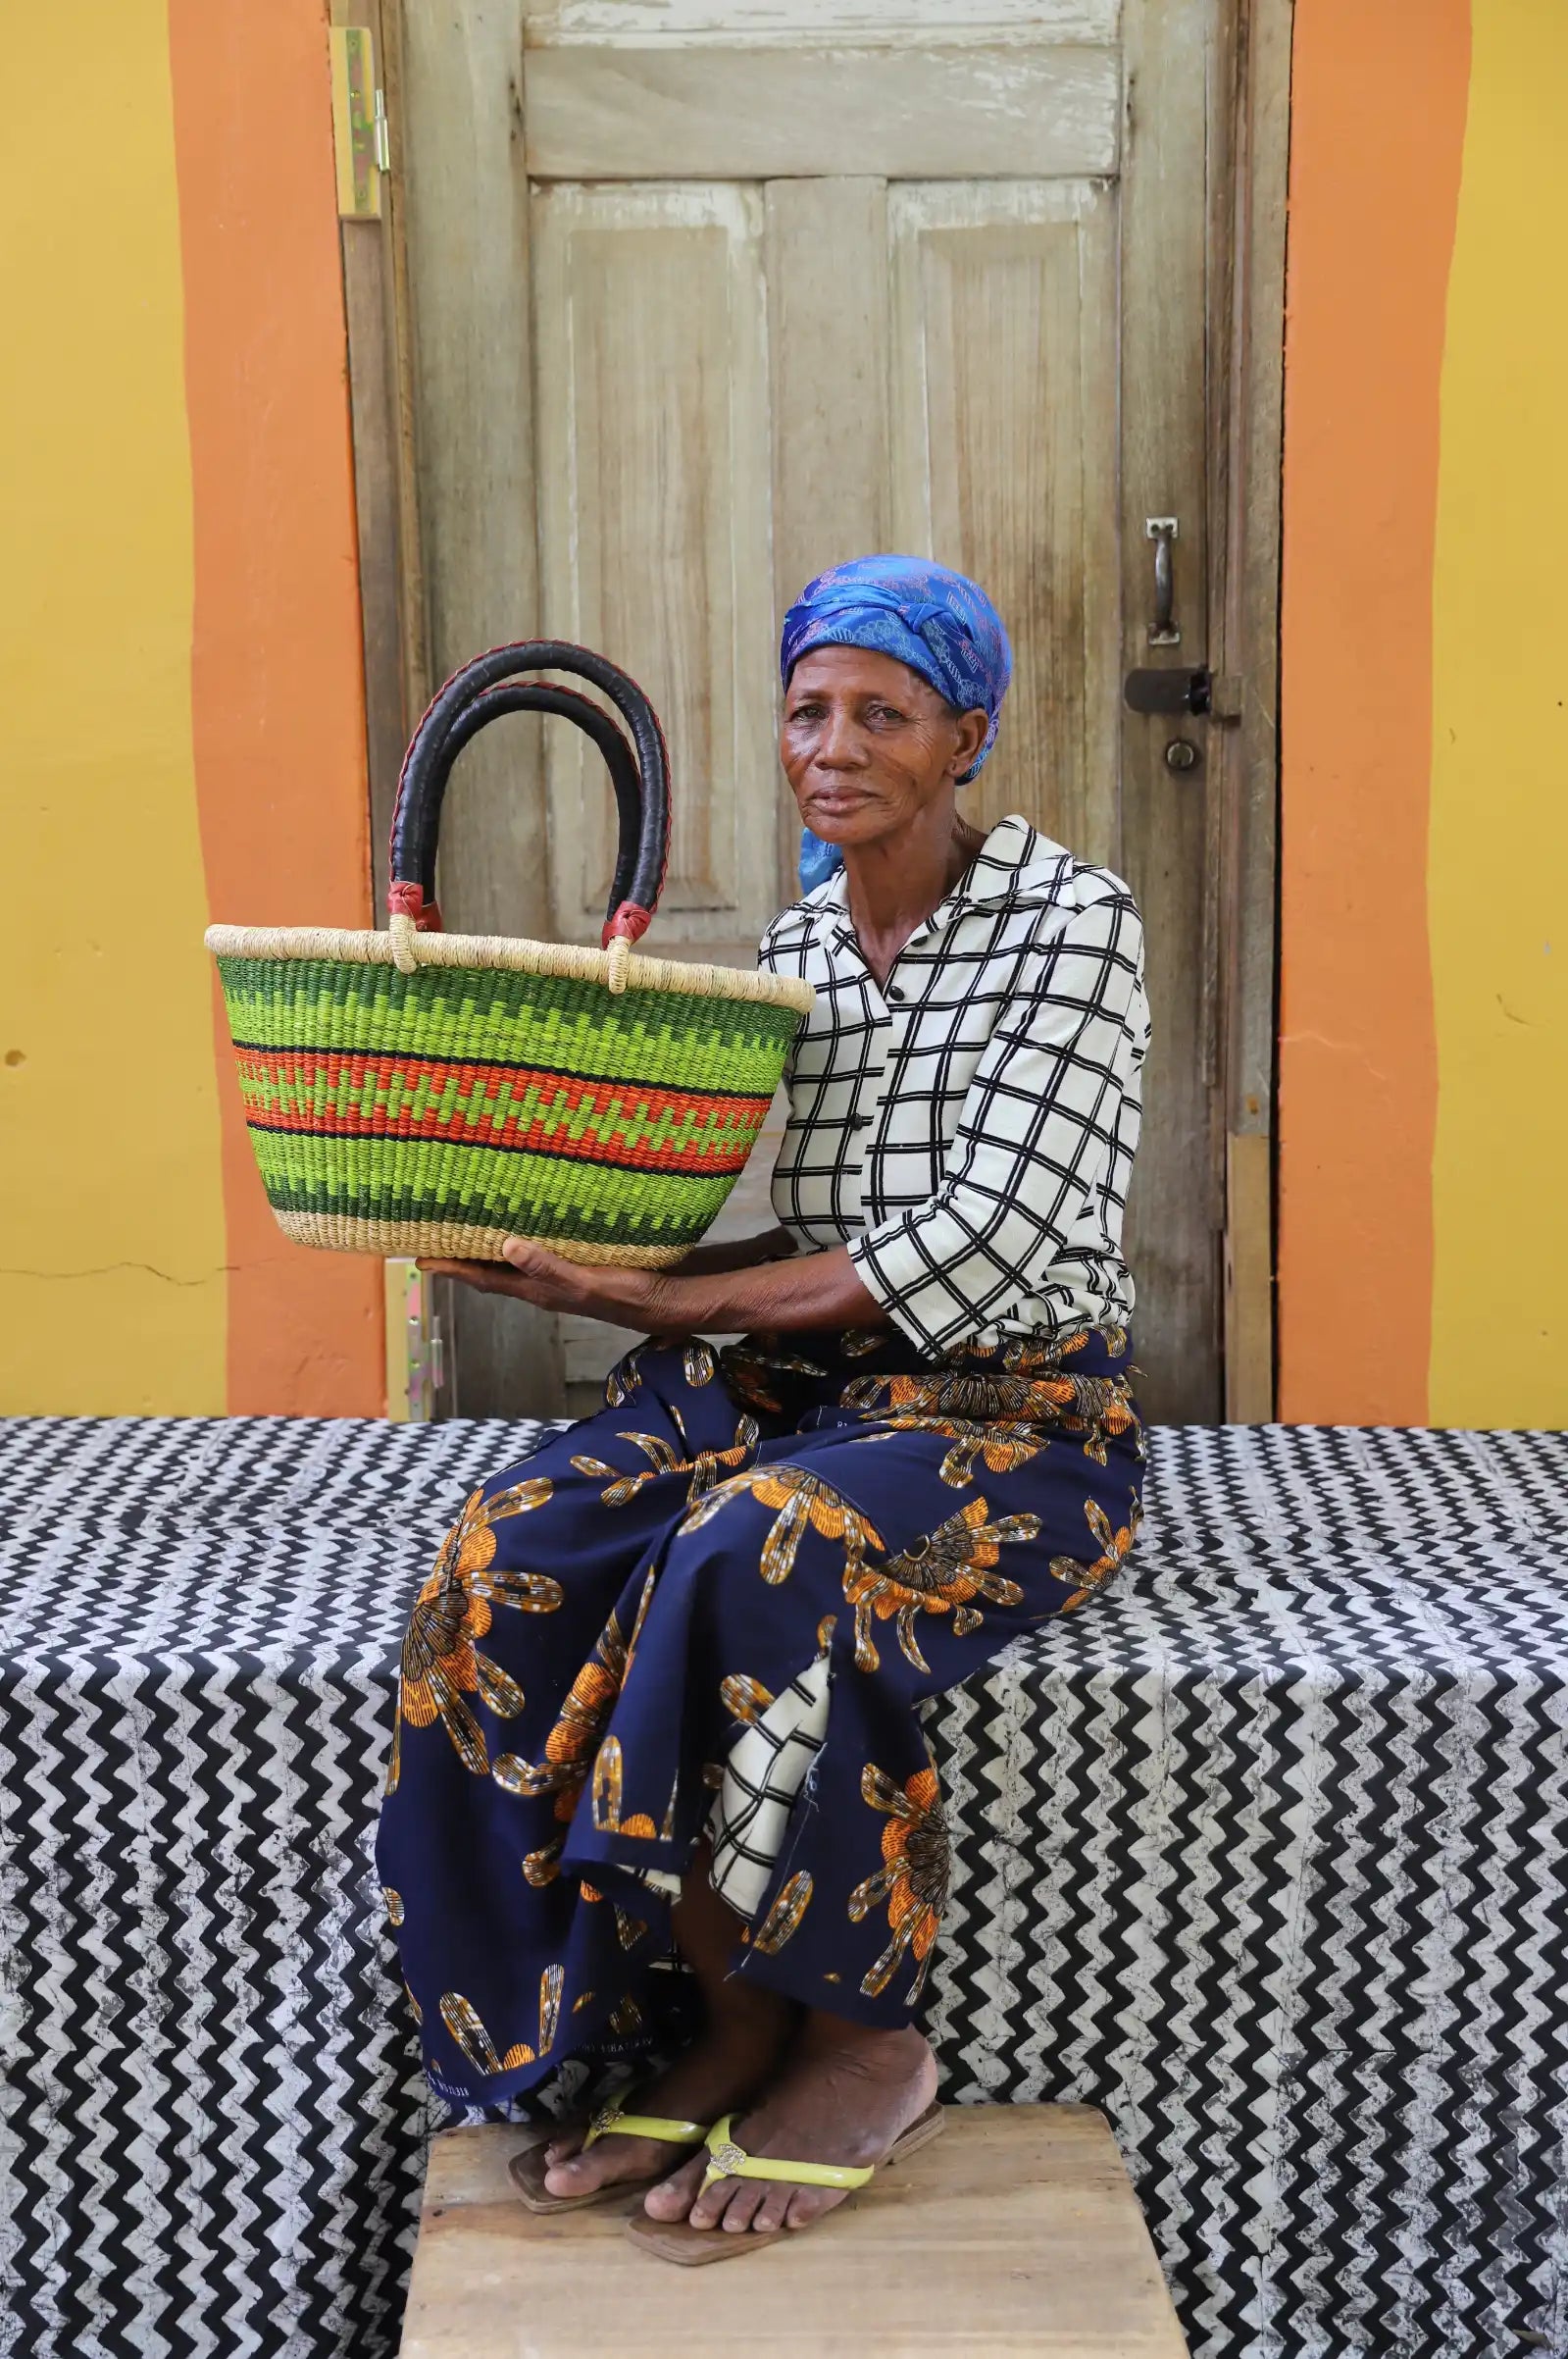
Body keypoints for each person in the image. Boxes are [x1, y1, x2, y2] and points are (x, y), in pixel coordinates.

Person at [377, 554, 1149, 2261]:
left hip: (1017, 1411)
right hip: (813, 1389)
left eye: (885, 713)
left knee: (754, 1540)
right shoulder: (802, 944)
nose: (836, 746)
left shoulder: (1073, 922)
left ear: (967, 737)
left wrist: (645, 1304)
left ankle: (866, 2036)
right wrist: (575, 1254)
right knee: (523, 1536)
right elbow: (806, 1237)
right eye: (810, 711)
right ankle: (716, 2017)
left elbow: (969, 1243)